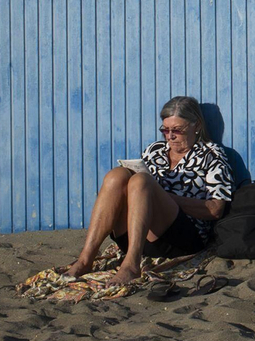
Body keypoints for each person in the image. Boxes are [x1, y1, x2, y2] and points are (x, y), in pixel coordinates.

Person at [64, 97, 233, 286]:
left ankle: (131, 266)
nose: (170, 136)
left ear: (197, 125)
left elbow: (215, 209)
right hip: (138, 233)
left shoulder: (211, 156)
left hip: (181, 239)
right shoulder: (155, 150)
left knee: (141, 181)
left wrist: (159, 196)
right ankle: (85, 260)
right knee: (116, 176)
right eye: (165, 130)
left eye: (177, 130)